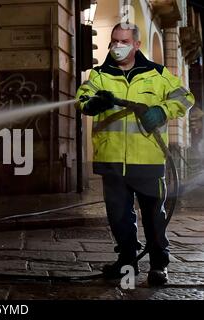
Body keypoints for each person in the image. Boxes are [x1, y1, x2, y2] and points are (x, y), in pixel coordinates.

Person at [76, 23, 195, 286]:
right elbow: (83, 101)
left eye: (124, 41)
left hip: (148, 160)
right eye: (114, 41)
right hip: (111, 160)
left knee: (154, 216)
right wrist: (93, 103)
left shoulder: (158, 74)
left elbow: (185, 98)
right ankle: (126, 261)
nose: (118, 46)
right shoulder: (99, 76)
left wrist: (163, 110)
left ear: (137, 45)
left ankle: (158, 266)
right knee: (118, 216)